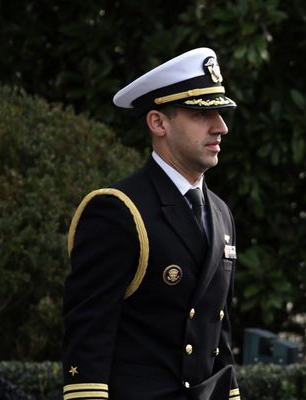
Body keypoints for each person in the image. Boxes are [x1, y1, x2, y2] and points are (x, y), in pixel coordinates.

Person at [62, 47, 242, 400]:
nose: (220, 126)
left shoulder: (220, 213)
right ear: (158, 123)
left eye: (220, 113)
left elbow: (218, 339)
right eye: (200, 113)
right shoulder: (117, 210)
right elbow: (89, 337)